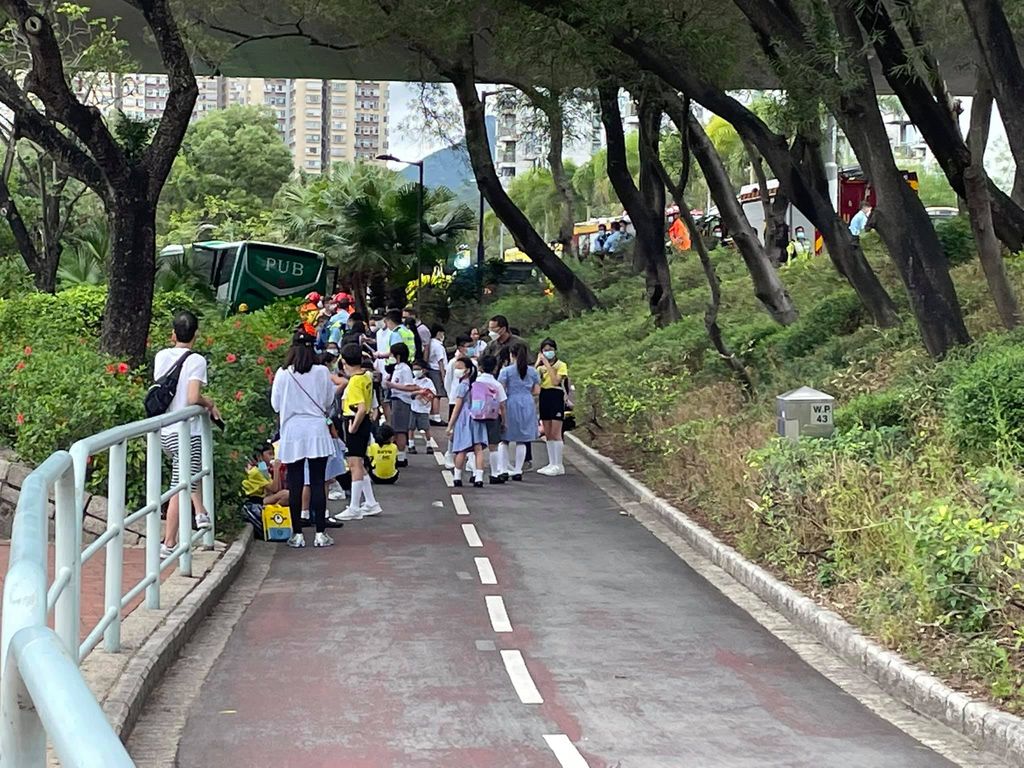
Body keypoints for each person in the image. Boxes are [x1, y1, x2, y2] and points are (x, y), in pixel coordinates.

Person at [155, 311, 219, 559]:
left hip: (164, 430)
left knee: (186, 478)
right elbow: (192, 397)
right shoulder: (196, 361)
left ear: (173, 334)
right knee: (181, 484)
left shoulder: (161, 356)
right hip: (186, 430)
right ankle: (170, 542)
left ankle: (200, 513)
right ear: (196, 335)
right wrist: (208, 402)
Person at [271, 328, 337, 548]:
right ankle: (320, 533)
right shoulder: (321, 372)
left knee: (295, 482)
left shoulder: (283, 373)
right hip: (316, 430)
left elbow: (275, 405)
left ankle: (297, 534)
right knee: (318, 482)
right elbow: (328, 401)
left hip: (292, 431)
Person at [332, 344, 382, 521]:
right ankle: (370, 502)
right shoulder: (366, 376)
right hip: (365, 423)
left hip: (355, 421)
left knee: (354, 465)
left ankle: (354, 506)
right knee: (359, 464)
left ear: (344, 361)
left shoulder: (354, 382)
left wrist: (352, 428)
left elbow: (360, 408)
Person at [498, 342, 541, 482]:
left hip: (510, 402)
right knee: (522, 439)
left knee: (504, 439)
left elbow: (500, 390)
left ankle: (503, 469)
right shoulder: (533, 371)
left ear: (512, 354)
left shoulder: (506, 371)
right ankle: (518, 470)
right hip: (527, 403)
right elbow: (536, 391)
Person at [446, 357, 489, 488]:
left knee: (461, 449)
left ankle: (457, 477)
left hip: (464, 419)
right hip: (477, 417)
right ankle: (479, 477)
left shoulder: (462, 386)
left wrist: (450, 425)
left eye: (460, 368)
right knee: (478, 449)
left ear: (468, 370)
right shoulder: (477, 384)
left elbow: (457, 407)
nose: (457, 371)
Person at [536, 338, 569, 477]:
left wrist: (547, 365)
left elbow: (556, 381)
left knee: (556, 433)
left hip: (556, 396)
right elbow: (532, 380)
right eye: (545, 350)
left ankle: (558, 464)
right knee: (548, 432)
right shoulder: (539, 368)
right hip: (544, 396)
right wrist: (538, 364)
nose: (548, 352)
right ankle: (551, 462)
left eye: (550, 349)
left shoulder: (561, 365)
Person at [474, 355, 509, 484]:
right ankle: (494, 474)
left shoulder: (476, 382)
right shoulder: (496, 384)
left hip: (476, 417)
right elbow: (502, 405)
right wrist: (504, 421)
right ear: (495, 368)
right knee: (493, 446)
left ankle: (476, 474)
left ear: (480, 367)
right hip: (493, 417)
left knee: (477, 447)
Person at [383, 342, 417, 465]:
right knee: (395, 429)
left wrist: (393, 385)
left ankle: (401, 456)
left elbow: (410, 387)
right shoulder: (397, 368)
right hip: (395, 400)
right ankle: (398, 455)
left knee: (400, 430)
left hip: (402, 400)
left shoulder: (405, 369)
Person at [410, 359, 437, 453]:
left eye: (418, 369)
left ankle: (429, 445)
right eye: (414, 369)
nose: (415, 371)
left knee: (426, 428)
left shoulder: (428, 382)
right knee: (411, 427)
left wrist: (424, 393)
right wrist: (418, 392)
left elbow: (432, 393)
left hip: (424, 409)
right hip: (413, 407)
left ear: (424, 370)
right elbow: (409, 392)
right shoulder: (412, 381)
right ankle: (411, 445)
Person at [427, 324, 448, 425]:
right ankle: (436, 416)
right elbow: (440, 362)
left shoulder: (430, 343)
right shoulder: (438, 345)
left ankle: (432, 415)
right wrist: (443, 376)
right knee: (437, 394)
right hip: (436, 371)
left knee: (433, 392)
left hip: (430, 369)